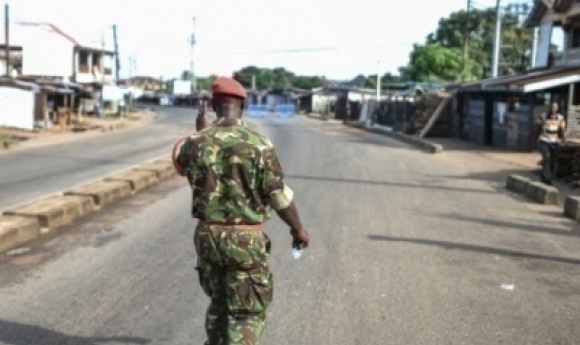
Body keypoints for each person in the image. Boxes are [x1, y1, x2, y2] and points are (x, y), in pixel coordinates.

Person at [174, 76, 310, 345]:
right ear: (243, 105)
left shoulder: (197, 141)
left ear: (214, 106)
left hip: (207, 238)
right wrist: (298, 229)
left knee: (220, 301)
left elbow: (181, 166)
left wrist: (200, 131)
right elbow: (276, 195)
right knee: (246, 313)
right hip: (245, 240)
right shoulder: (259, 144)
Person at [534, 101, 567, 185]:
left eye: (555, 107)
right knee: (547, 157)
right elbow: (538, 128)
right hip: (544, 140)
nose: (553, 109)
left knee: (552, 161)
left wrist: (563, 140)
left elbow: (562, 130)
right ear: (549, 108)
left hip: (554, 142)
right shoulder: (543, 116)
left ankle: (544, 176)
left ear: (557, 108)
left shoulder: (560, 118)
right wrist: (534, 140)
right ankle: (547, 179)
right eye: (552, 107)